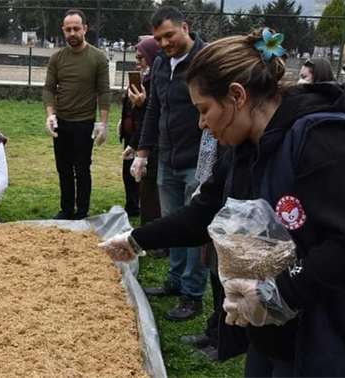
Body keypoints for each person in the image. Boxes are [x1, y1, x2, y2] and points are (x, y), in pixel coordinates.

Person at [101, 28, 345, 377]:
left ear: (236, 95)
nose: (203, 124)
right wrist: (134, 241)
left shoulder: (320, 143)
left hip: (322, 340)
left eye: (204, 110)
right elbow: (202, 213)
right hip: (269, 333)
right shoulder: (241, 151)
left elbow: (343, 244)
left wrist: (279, 293)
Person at [132, 6, 209, 321]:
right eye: (158, 38)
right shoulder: (162, 64)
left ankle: (193, 294)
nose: (164, 43)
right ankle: (174, 281)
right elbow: (154, 110)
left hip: (197, 161)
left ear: (185, 28)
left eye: (169, 35)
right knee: (173, 222)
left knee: (195, 229)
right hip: (167, 157)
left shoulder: (205, 62)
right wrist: (142, 152)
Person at [43, 9, 110, 220]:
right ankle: (66, 209)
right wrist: (50, 115)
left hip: (84, 123)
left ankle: (82, 211)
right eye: (68, 29)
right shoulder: (57, 58)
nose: (72, 33)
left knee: (82, 169)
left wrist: (103, 123)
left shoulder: (98, 58)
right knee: (63, 168)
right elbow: (48, 89)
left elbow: (104, 91)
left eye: (76, 29)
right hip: (61, 122)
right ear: (63, 30)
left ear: (85, 29)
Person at [122, 35, 170, 260]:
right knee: (147, 190)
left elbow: (155, 116)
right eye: (137, 57)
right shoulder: (145, 80)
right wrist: (134, 144)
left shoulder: (159, 81)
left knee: (156, 193)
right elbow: (143, 119)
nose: (139, 62)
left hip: (161, 145)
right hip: (147, 144)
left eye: (142, 57)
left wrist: (142, 103)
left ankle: (160, 242)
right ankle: (150, 237)